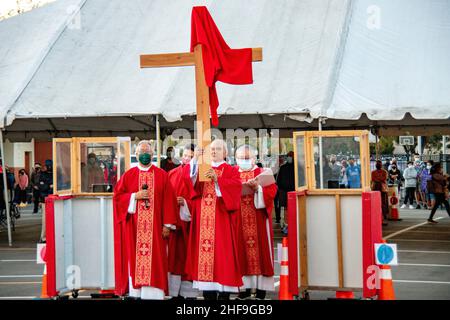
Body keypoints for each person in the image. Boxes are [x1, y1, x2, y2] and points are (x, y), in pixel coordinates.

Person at [113, 140, 177, 299]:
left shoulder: (162, 175)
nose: (145, 155)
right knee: (136, 259)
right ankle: (137, 293)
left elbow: (170, 200)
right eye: (141, 153)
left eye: (148, 152)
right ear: (136, 155)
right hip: (135, 227)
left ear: (153, 154)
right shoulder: (129, 175)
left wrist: (167, 225)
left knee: (157, 260)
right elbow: (118, 197)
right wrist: (135, 196)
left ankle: (155, 293)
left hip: (156, 228)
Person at [183, 139, 243, 300]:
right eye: (212, 149)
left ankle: (224, 297)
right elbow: (189, 182)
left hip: (222, 220)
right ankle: (208, 295)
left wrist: (218, 180)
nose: (214, 151)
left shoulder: (231, 170)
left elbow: (236, 188)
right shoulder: (202, 168)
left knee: (223, 258)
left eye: (218, 149)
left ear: (225, 153)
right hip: (203, 221)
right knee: (204, 262)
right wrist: (195, 159)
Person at [234, 145, 277, 300]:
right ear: (235, 158)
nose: (244, 161)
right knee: (240, 252)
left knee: (261, 252)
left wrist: (258, 188)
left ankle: (260, 290)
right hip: (238, 220)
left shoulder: (262, 173)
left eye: (247, 157)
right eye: (241, 158)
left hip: (258, 218)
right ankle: (243, 290)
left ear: (254, 158)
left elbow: (272, 191)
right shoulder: (232, 173)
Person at [167, 144, 199, 300]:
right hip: (174, 224)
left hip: (190, 225)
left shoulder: (197, 175)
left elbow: (199, 199)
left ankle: (189, 293)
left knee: (188, 258)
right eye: (185, 155)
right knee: (174, 259)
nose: (186, 158)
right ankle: (174, 292)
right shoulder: (172, 173)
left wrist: (185, 202)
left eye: (190, 156)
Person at [276, 151, 295, 234]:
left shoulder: (297, 167)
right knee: (285, 209)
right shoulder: (283, 167)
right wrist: (280, 188)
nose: (289, 157)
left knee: (293, 209)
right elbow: (278, 180)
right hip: (283, 191)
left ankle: (293, 225)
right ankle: (285, 225)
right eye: (288, 156)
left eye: (291, 156)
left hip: (294, 192)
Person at [371, 160, 389, 226]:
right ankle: (377, 215)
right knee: (376, 202)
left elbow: (384, 178)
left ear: (381, 165)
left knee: (383, 202)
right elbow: (373, 179)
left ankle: (384, 215)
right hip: (375, 188)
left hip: (382, 188)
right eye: (377, 163)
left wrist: (378, 179)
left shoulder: (384, 172)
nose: (378, 164)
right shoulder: (373, 172)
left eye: (379, 163)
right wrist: (379, 179)